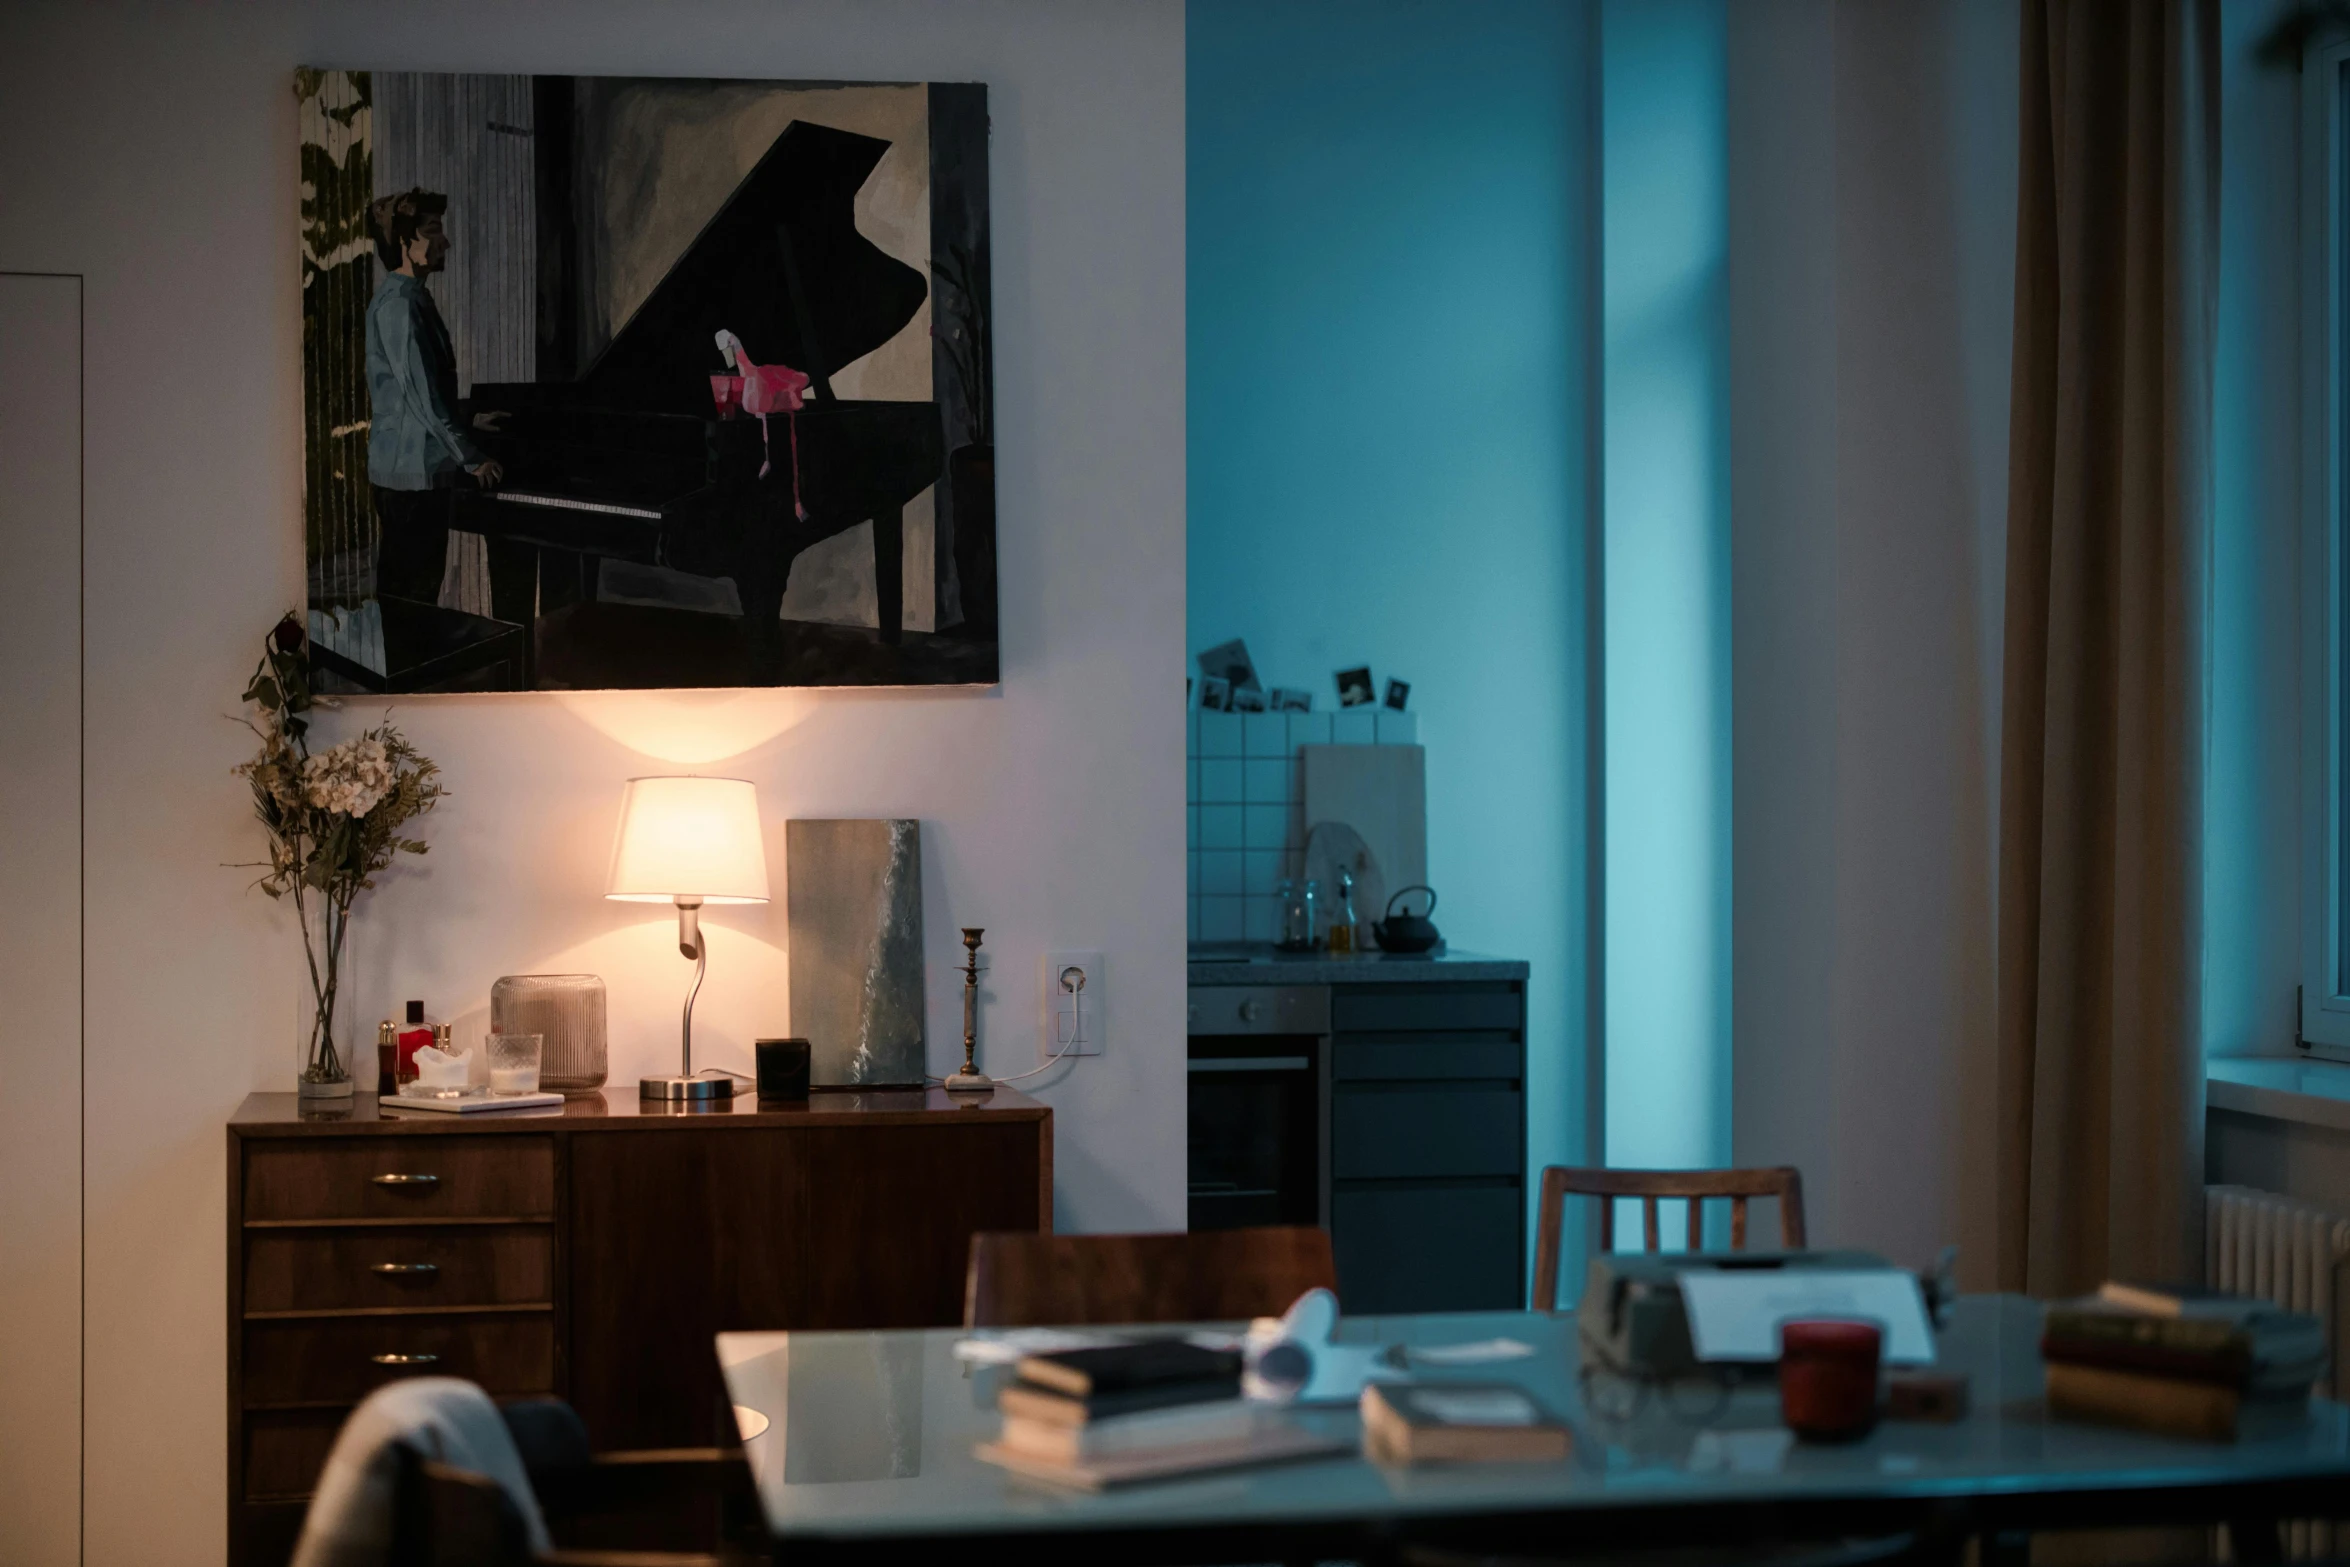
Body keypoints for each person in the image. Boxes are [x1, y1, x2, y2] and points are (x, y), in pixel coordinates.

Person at [365, 187, 502, 605]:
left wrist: (468, 421)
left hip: (415, 472)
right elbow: (422, 397)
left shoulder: (411, 298)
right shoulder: (400, 306)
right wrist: (473, 458)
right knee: (411, 599)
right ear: (405, 242)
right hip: (410, 480)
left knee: (417, 596)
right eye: (433, 231)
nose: (445, 241)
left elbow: (417, 394)